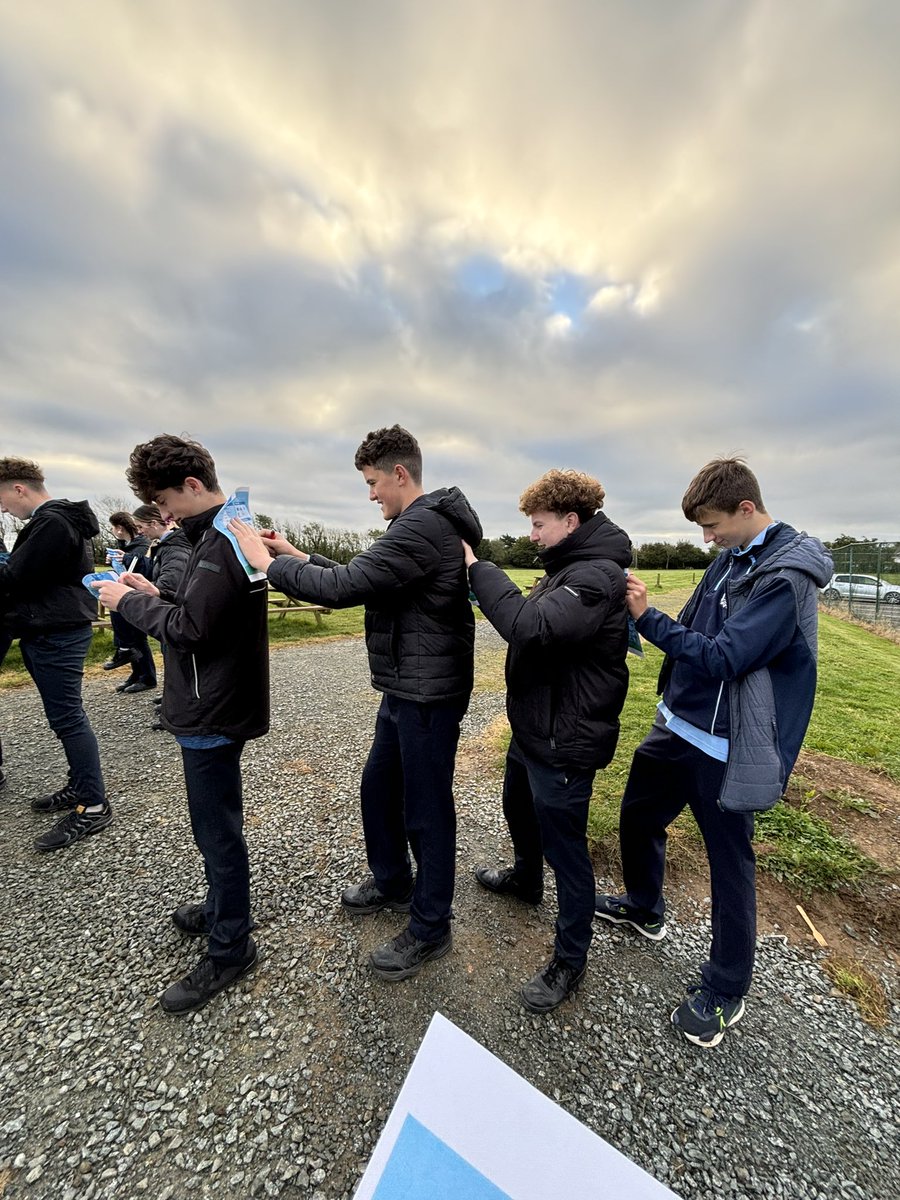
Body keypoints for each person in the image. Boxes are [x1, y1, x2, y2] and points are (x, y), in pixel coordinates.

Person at [594, 457, 833, 1047]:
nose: (707, 539)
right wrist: (643, 628)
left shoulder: (786, 578)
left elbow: (727, 656)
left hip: (730, 745)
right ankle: (646, 906)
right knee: (639, 814)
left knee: (730, 866)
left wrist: (647, 619)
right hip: (677, 725)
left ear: (747, 509)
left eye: (712, 525)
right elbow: (696, 626)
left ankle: (726, 990)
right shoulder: (730, 559)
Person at [230, 424, 482, 983]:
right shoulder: (414, 527)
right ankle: (394, 881)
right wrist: (294, 553)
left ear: (399, 474)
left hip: (427, 692)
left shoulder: (421, 526)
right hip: (406, 685)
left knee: (426, 807)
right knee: (378, 785)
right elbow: (365, 577)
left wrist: (264, 561)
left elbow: (344, 588)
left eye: (373, 483)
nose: (370, 495)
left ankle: (430, 925)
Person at [94, 435, 269, 1014]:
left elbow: (194, 629)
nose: (162, 514)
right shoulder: (215, 533)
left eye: (166, 500)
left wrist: (124, 601)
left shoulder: (219, 541)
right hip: (215, 699)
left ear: (194, 485)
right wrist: (155, 590)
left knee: (217, 829)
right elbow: (198, 605)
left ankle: (230, 947)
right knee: (214, 822)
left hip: (211, 706)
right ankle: (223, 910)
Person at [464, 469, 631, 1013]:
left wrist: (478, 569)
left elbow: (531, 627)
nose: (532, 535)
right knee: (517, 806)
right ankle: (524, 880)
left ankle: (570, 958)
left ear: (570, 521)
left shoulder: (595, 577)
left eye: (538, 525)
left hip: (567, 738)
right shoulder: (567, 567)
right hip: (536, 727)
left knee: (568, 849)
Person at [0, 457, 112, 850]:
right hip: (50, 628)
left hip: (56, 632)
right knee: (64, 717)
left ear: (18, 488)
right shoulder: (57, 520)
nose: (3, 509)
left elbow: (14, 577)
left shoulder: (51, 522)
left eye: (2, 499)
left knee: (68, 718)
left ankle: (93, 805)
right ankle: (79, 786)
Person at [131, 503, 191, 730]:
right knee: (173, 662)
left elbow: (171, 585)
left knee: (178, 665)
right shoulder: (168, 546)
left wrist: (148, 590)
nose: (139, 532)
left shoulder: (174, 549)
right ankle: (173, 702)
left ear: (155, 523)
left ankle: (178, 711)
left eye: (140, 526)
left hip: (172, 614)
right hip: (173, 612)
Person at [103, 511, 156, 694]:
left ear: (119, 528)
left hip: (137, 593)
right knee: (132, 637)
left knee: (137, 637)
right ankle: (137, 673)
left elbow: (144, 566)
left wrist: (124, 558)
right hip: (126, 592)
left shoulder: (141, 544)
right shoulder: (126, 545)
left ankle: (148, 677)